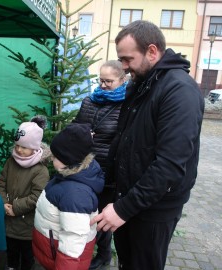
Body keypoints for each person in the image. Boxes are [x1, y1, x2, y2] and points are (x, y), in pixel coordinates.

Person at [91, 20, 204, 270]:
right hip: (130, 198)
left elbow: (171, 165)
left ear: (152, 51)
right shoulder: (142, 84)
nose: (123, 66)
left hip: (154, 209)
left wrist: (123, 209)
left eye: (128, 59)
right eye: (121, 59)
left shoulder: (179, 91)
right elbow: (125, 141)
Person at [73, 60, 127, 269]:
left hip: (107, 171)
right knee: (87, 211)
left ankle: (103, 254)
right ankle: (83, 248)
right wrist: (81, 134)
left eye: (109, 81)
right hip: (84, 167)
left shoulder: (125, 106)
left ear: (122, 80)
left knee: (103, 215)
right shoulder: (89, 101)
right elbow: (76, 125)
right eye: (101, 80)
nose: (103, 85)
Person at [33, 123, 105, 270]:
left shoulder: (74, 194)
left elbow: (73, 241)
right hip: (53, 255)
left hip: (61, 261)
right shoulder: (68, 177)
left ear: (68, 159)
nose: (52, 158)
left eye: (55, 156)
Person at [0, 116, 50, 270]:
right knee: (11, 252)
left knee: (27, 256)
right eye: (17, 145)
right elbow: (1, 183)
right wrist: (4, 202)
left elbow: (36, 197)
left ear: (35, 147)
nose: (19, 150)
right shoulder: (11, 162)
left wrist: (15, 207)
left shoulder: (41, 170)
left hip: (27, 226)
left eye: (24, 147)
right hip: (8, 222)